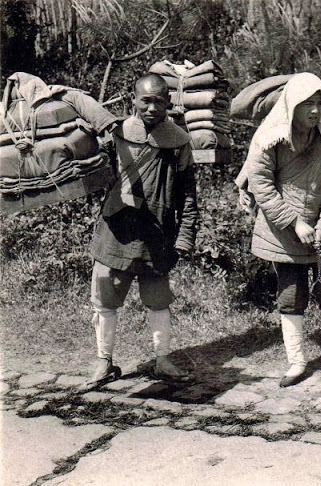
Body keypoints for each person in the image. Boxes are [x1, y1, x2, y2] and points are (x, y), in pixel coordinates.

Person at [81, 74, 198, 390]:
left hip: (158, 233)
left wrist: (185, 235)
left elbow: (188, 194)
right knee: (105, 298)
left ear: (168, 102)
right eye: (145, 100)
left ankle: (162, 359)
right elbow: (94, 172)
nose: (151, 107)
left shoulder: (179, 143)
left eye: (158, 101)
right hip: (117, 229)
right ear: (133, 99)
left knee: (158, 300)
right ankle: (104, 361)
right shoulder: (116, 135)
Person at [245, 72, 321, 387]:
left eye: (320, 103)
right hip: (283, 232)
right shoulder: (269, 138)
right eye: (308, 104)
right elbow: (261, 185)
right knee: (291, 296)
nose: (315, 110)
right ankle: (296, 363)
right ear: (292, 105)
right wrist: (294, 222)